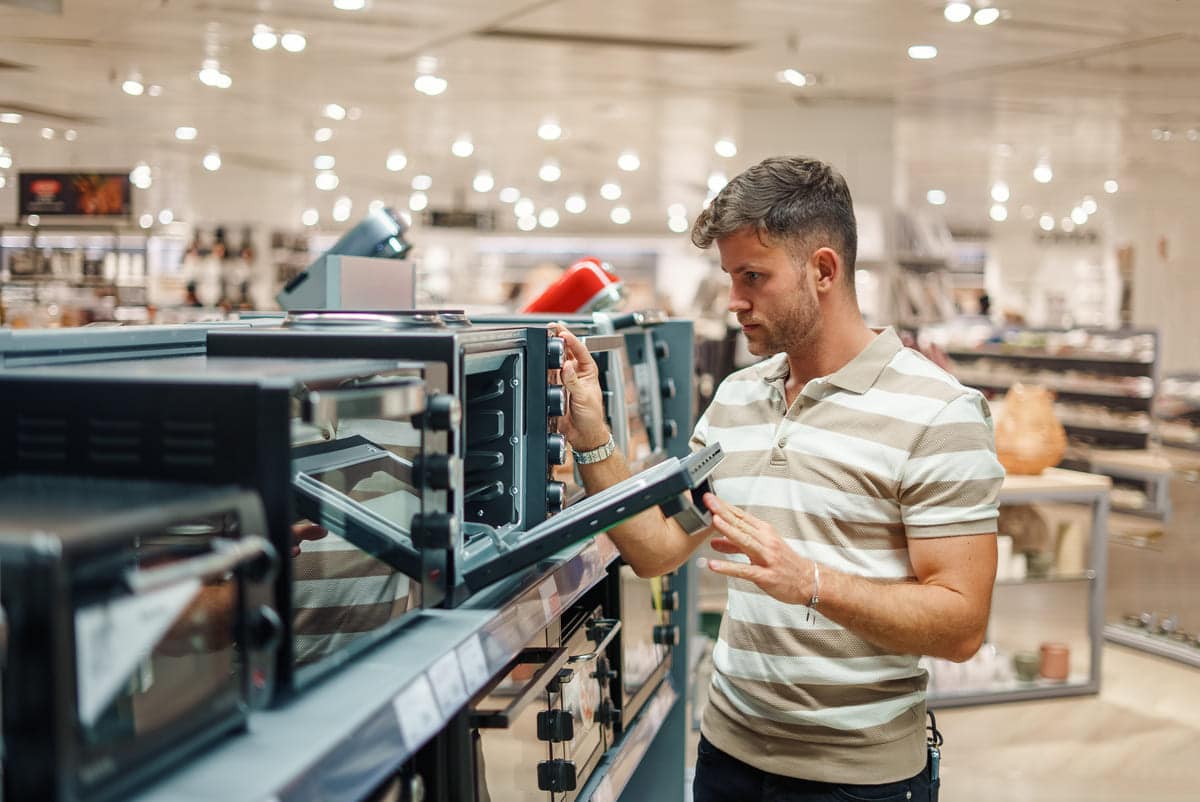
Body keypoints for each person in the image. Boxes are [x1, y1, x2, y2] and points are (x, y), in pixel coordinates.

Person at [549, 155, 1003, 802]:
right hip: (725, 757)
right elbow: (656, 548)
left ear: (823, 270)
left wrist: (811, 583)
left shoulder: (939, 412)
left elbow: (961, 624)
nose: (734, 301)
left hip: (856, 782)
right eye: (731, 277)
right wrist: (593, 436)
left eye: (753, 277)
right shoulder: (736, 399)